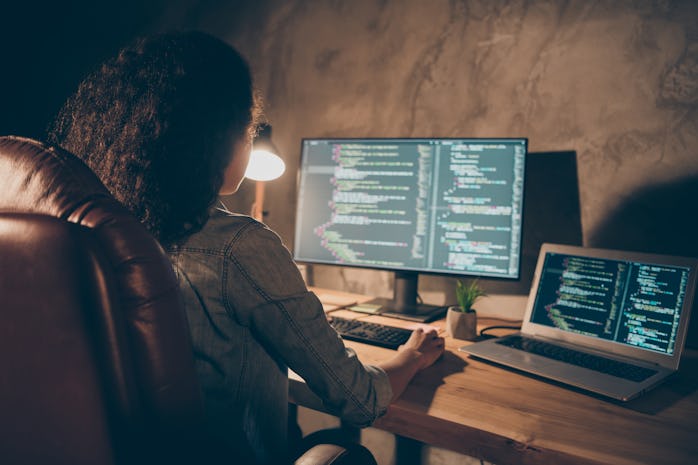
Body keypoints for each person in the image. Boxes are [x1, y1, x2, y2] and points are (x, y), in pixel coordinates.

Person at [48, 31, 444, 465]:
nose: (250, 139)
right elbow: (359, 399)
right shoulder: (237, 248)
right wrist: (412, 356)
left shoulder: (97, 235)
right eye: (248, 127)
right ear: (216, 140)